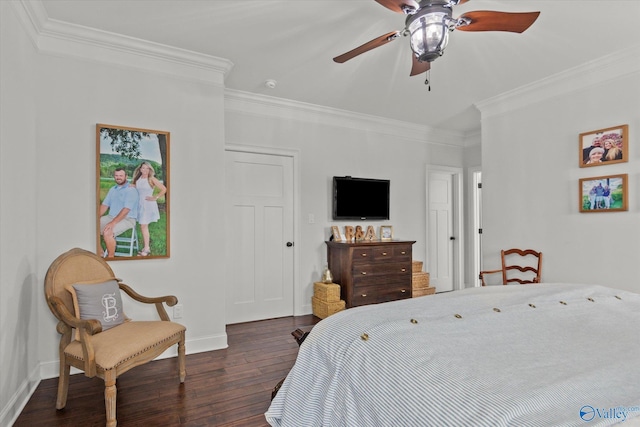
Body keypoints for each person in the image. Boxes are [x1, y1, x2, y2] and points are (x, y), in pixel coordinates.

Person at [100, 168, 139, 257]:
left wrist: (113, 223)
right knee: (91, 227)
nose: (118, 178)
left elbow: (126, 210)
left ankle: (110, 257)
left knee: (107, 232)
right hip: (111, 216)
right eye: (116, 176)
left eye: (121, 176)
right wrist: (93, 219)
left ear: (126, 176)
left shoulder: (131, 190)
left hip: (127, 219)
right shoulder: (112, 189)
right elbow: (104, 206)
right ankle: (101, 253)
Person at [132, 161, 167, 256]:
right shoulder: (138, 178)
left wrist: (155, 197)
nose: (145, 170)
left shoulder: (151, 179)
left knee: (143, 226)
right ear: (140, 169)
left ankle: (147, 249)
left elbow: (164, 189)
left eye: (147, 168)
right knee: (142, 226)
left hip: (147, 205)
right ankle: (145, 247)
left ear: (150, 170)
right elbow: (135, 188)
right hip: (139, 204)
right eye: (143, 168)